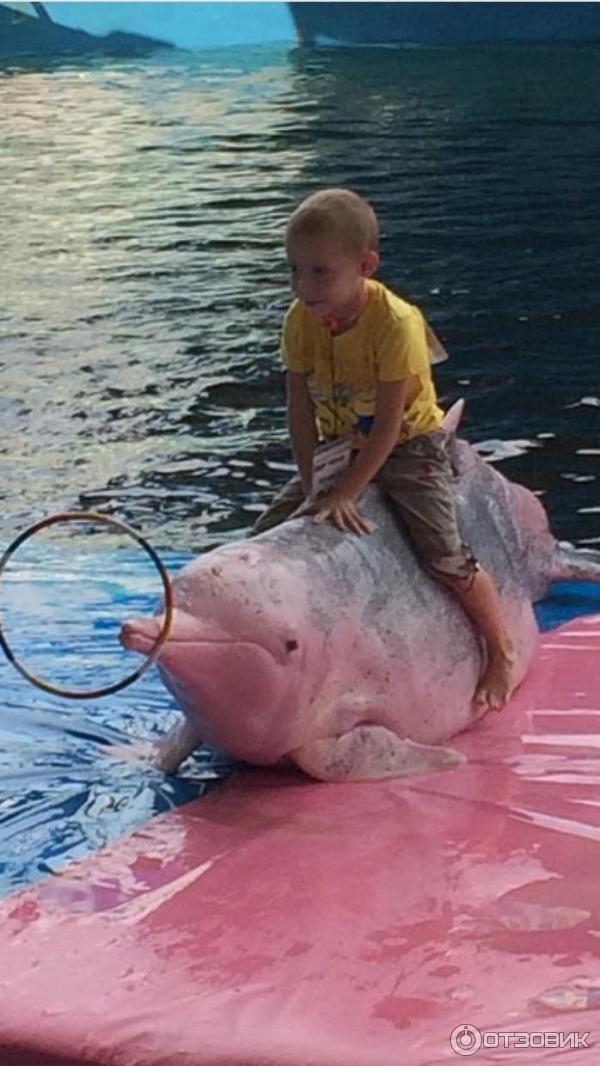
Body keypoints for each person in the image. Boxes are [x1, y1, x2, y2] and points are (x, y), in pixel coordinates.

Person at [253, 187, 517, 709]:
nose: (304, 286)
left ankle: (500, 646)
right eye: (295, 270)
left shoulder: (397, 324)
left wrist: (346, 493)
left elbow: (392, 425)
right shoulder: (299, 320)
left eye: (321, 272)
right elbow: (299, 409)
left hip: (408, 445)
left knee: (443, 553)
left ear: (366, 265)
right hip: (338, 441)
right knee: (266, 537)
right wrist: (314, 486)